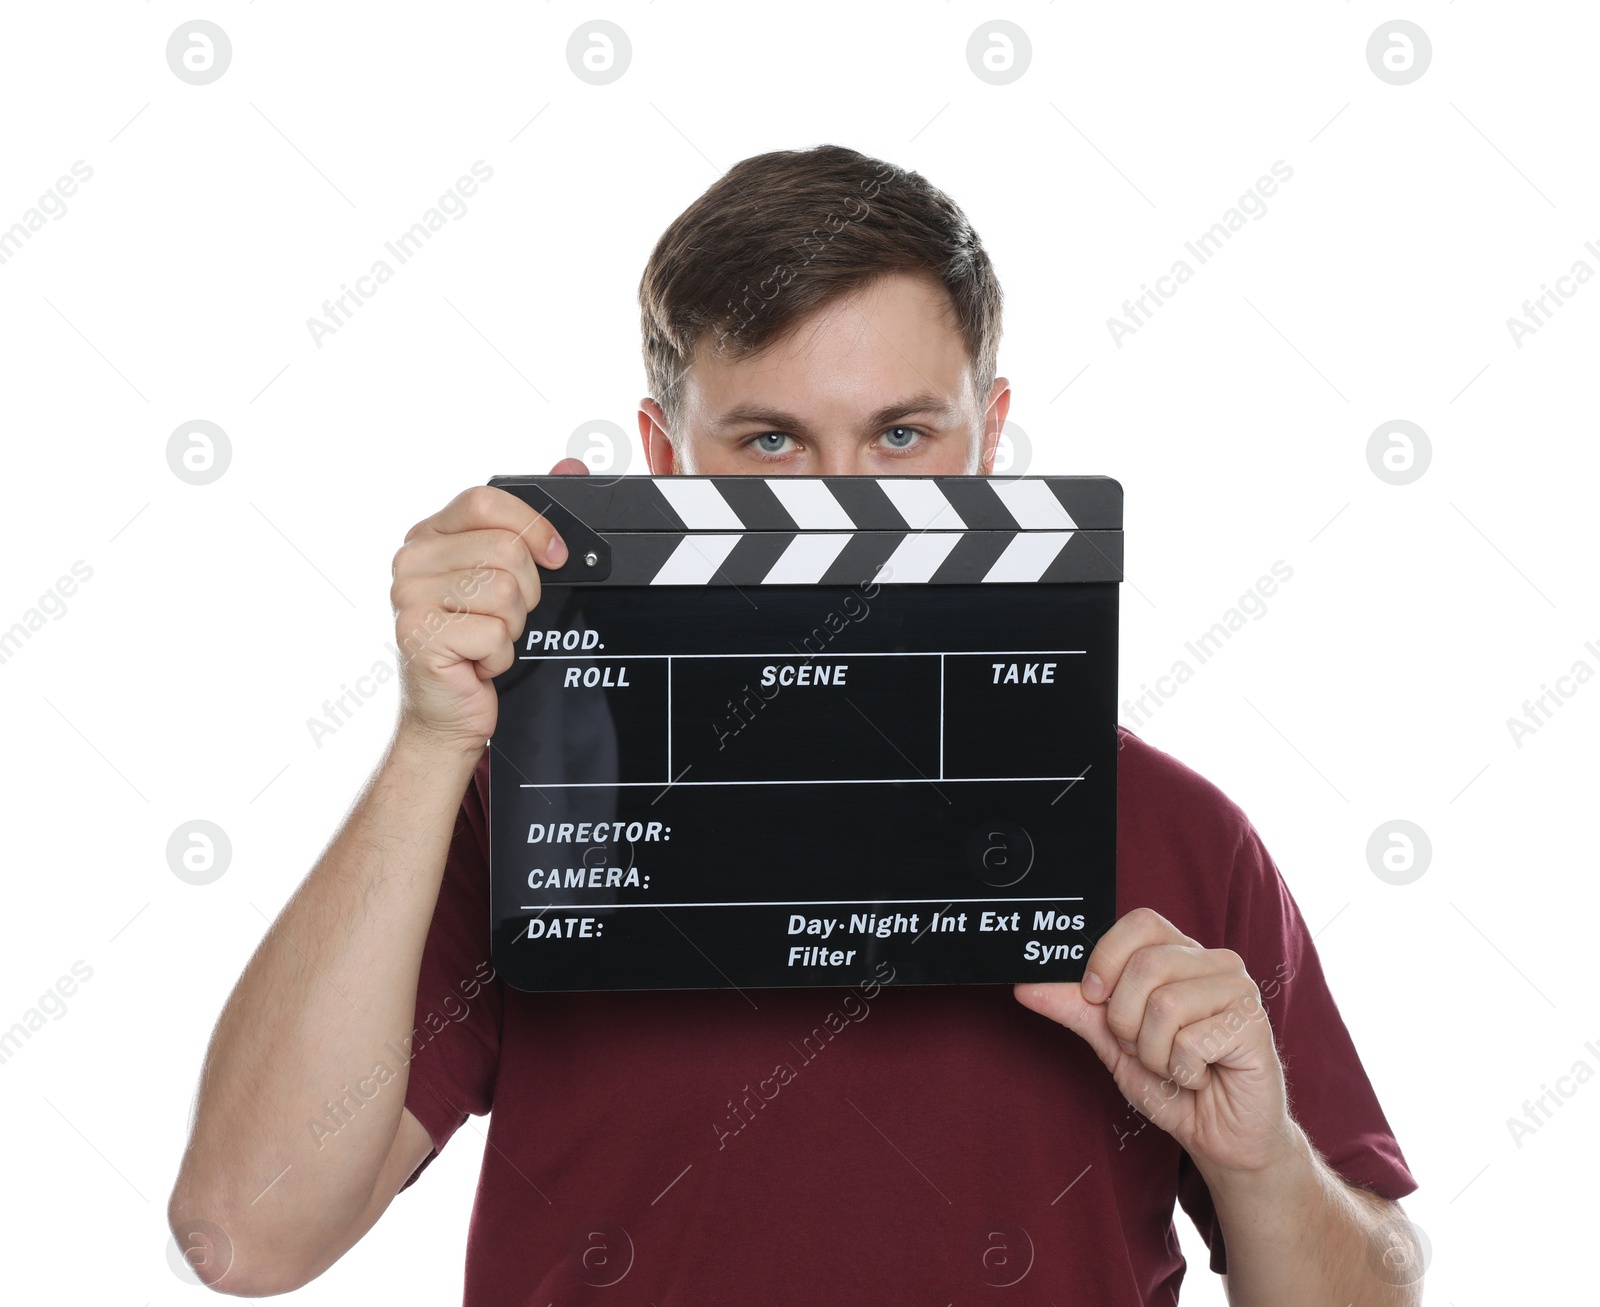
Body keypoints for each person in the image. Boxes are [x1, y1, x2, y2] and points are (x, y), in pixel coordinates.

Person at [168, 144, 1422, 1304]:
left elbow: (1380, 1282)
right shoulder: (531, 810)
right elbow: (245, 1231)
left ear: (989, 436)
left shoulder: (1178, 831)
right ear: (665, 457)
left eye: (902, 434)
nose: (848, 511)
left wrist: (1264, 1165)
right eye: (770, 440)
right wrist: (433, 741)